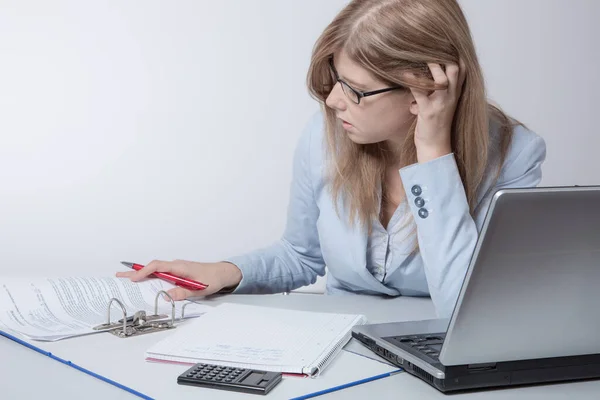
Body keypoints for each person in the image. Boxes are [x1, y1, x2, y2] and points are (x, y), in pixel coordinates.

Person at [118, 0, 546, 317]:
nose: (334, 100)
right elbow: (301, 256)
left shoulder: (515, 156)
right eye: (336, 78)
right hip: (338, 346)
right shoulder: (324, 136)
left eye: (356, 89)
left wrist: (434, 154)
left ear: (426, 88)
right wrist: (223, 271)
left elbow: (468, 308)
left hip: (438, 352)